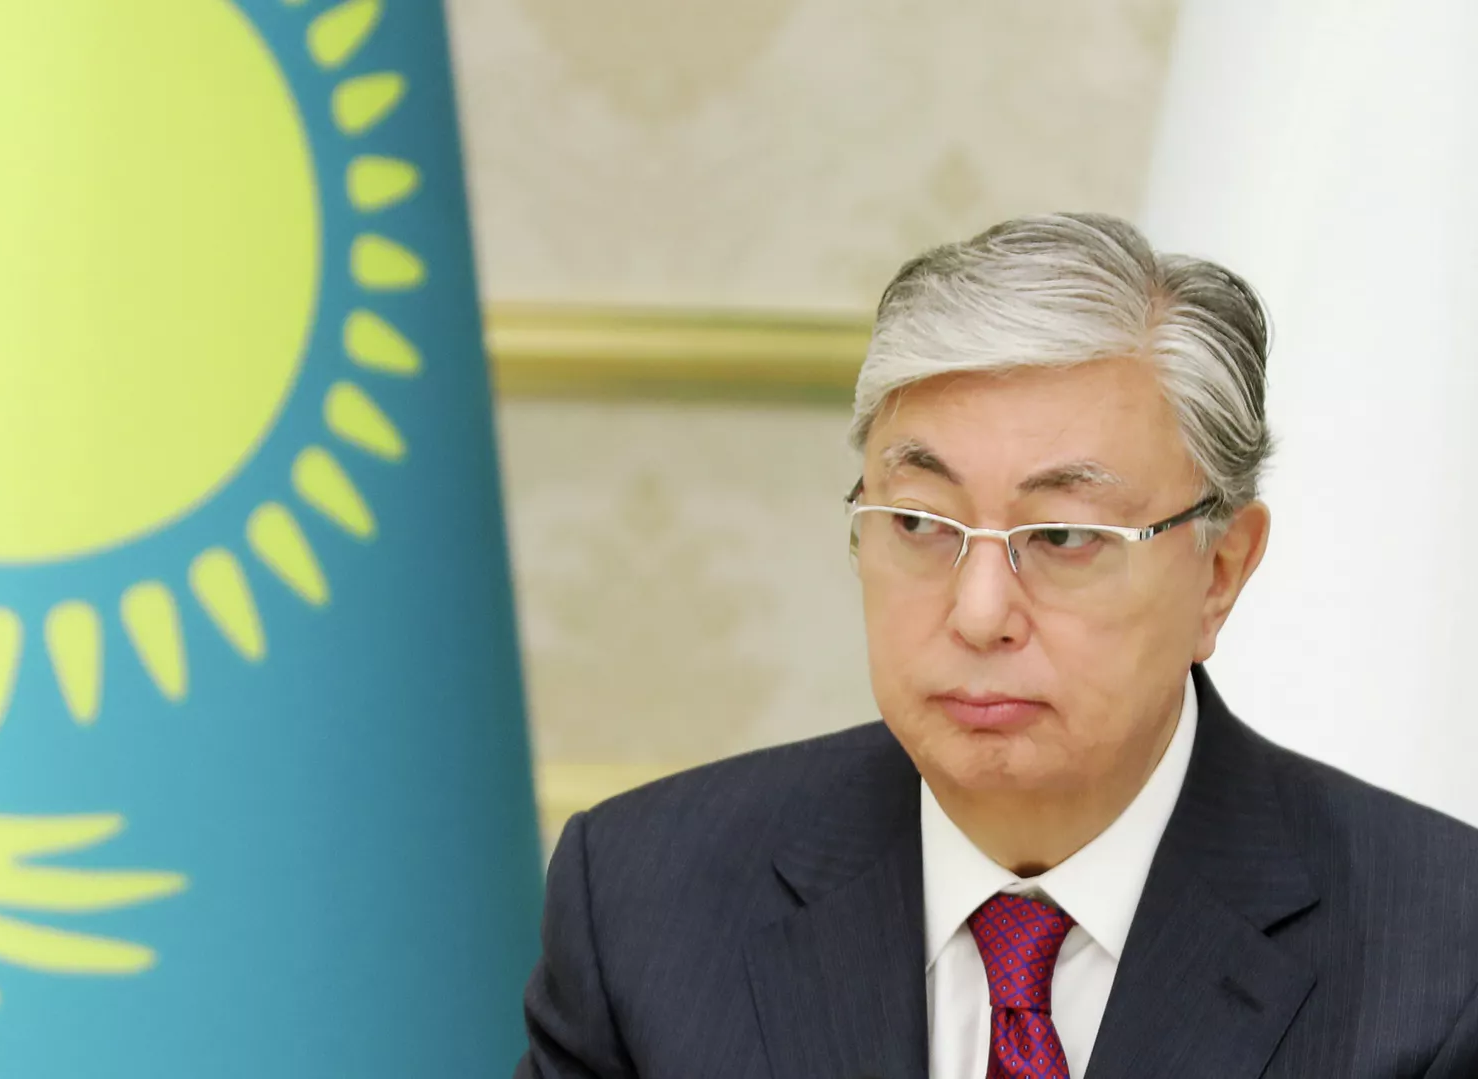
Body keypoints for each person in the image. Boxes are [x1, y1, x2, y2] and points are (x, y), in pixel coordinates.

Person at [514, 213, 1478, 1078]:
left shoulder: (1442, 962)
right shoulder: (644, 905)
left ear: (1220, 570)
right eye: (919, 522)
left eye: (1062, 536)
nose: (979, 614)